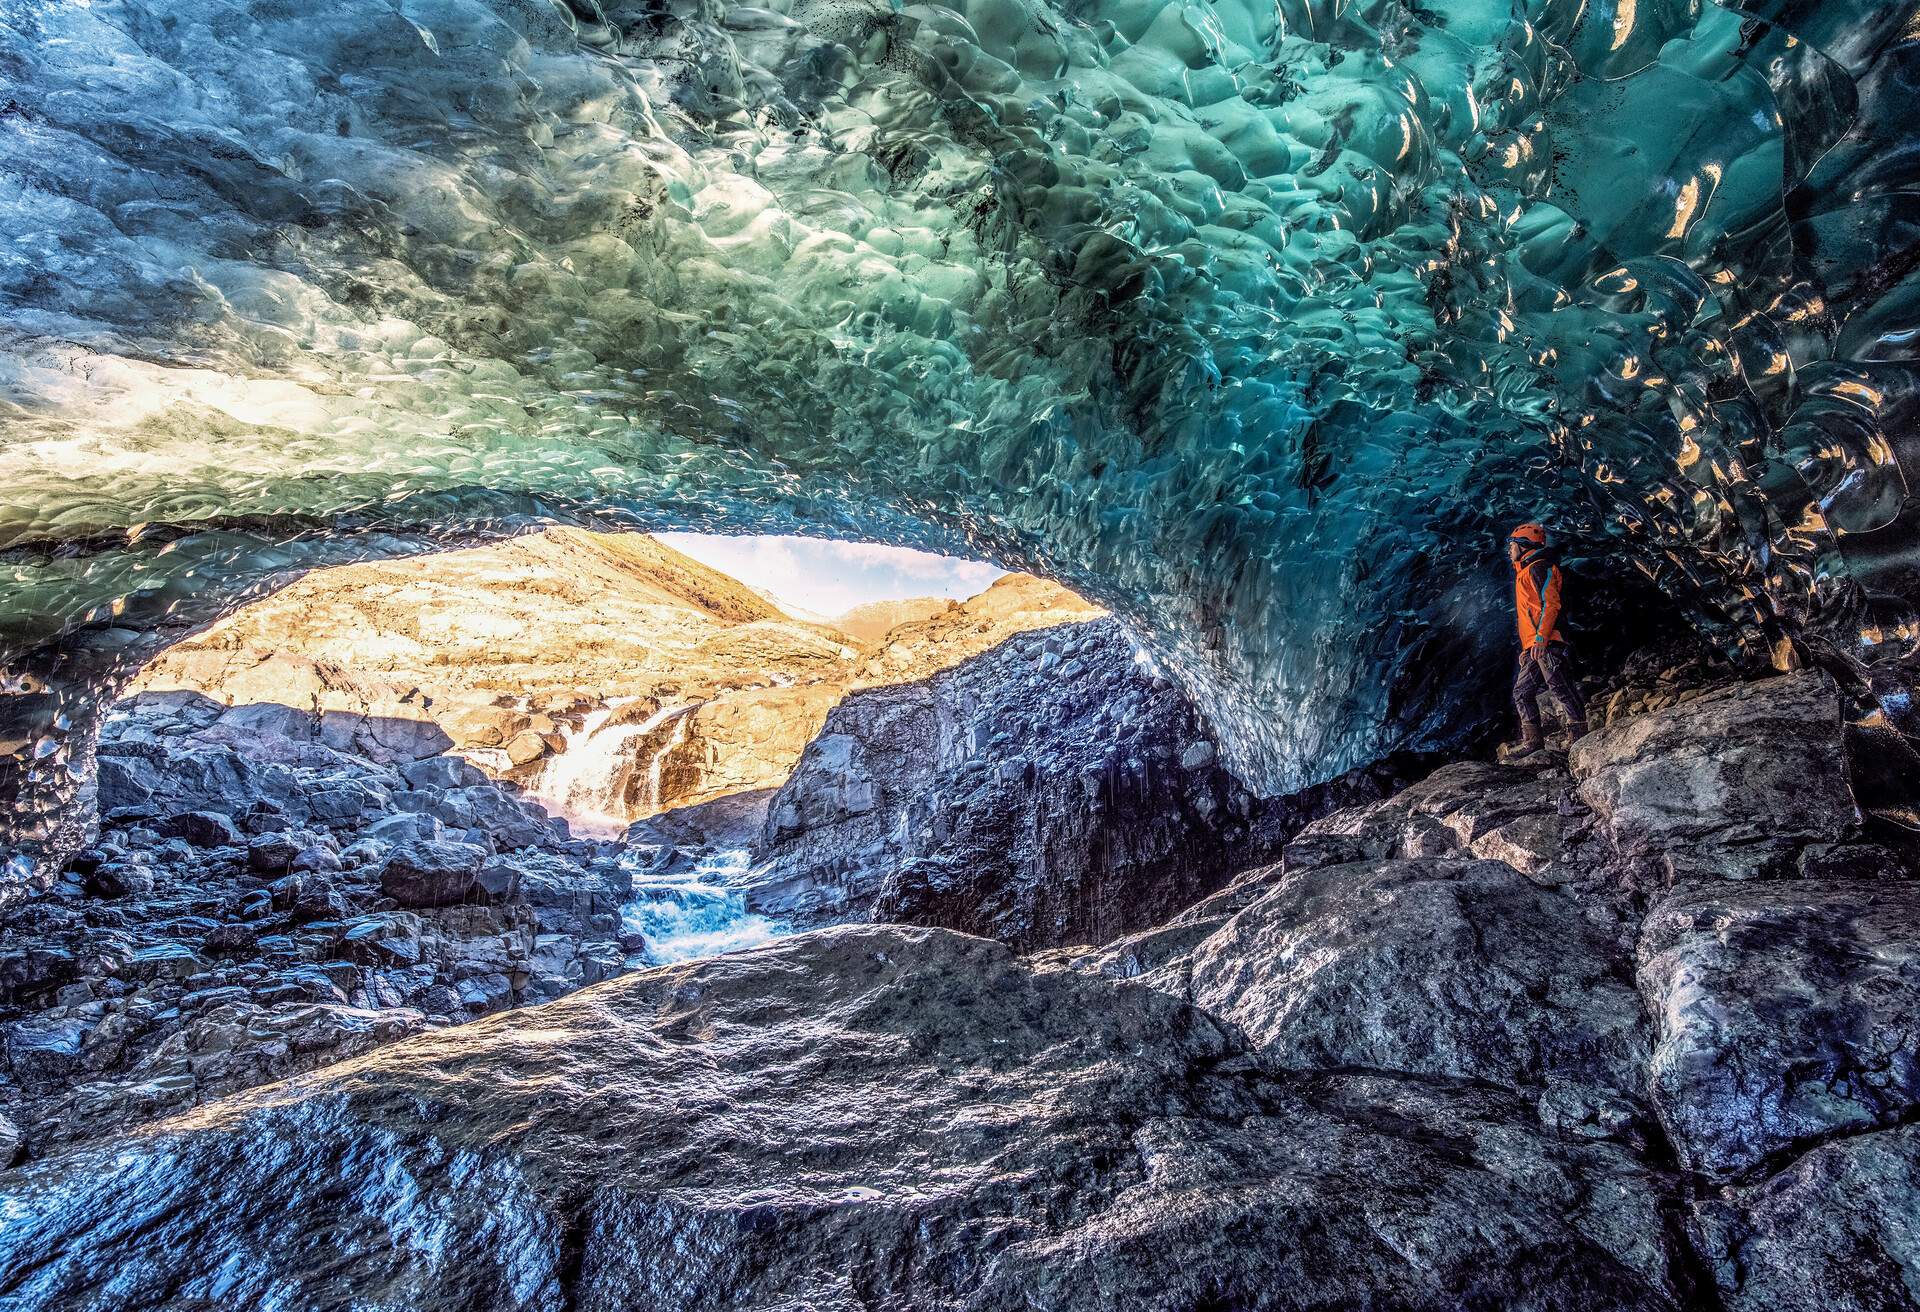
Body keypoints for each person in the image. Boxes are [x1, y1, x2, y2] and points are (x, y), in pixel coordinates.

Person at [1507, 523, 1588, 753]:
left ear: (1524, 546)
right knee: (1522, 692)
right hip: (1535, 645)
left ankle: (1580, 738)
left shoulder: (1539, 568)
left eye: (1513, 545)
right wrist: (1528, 647)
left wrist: (1542, 638)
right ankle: (1533, 742)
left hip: (1548, 641)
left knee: (1560, 685)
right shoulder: (1524, 571)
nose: (1510, 550)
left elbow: (1550, 604)